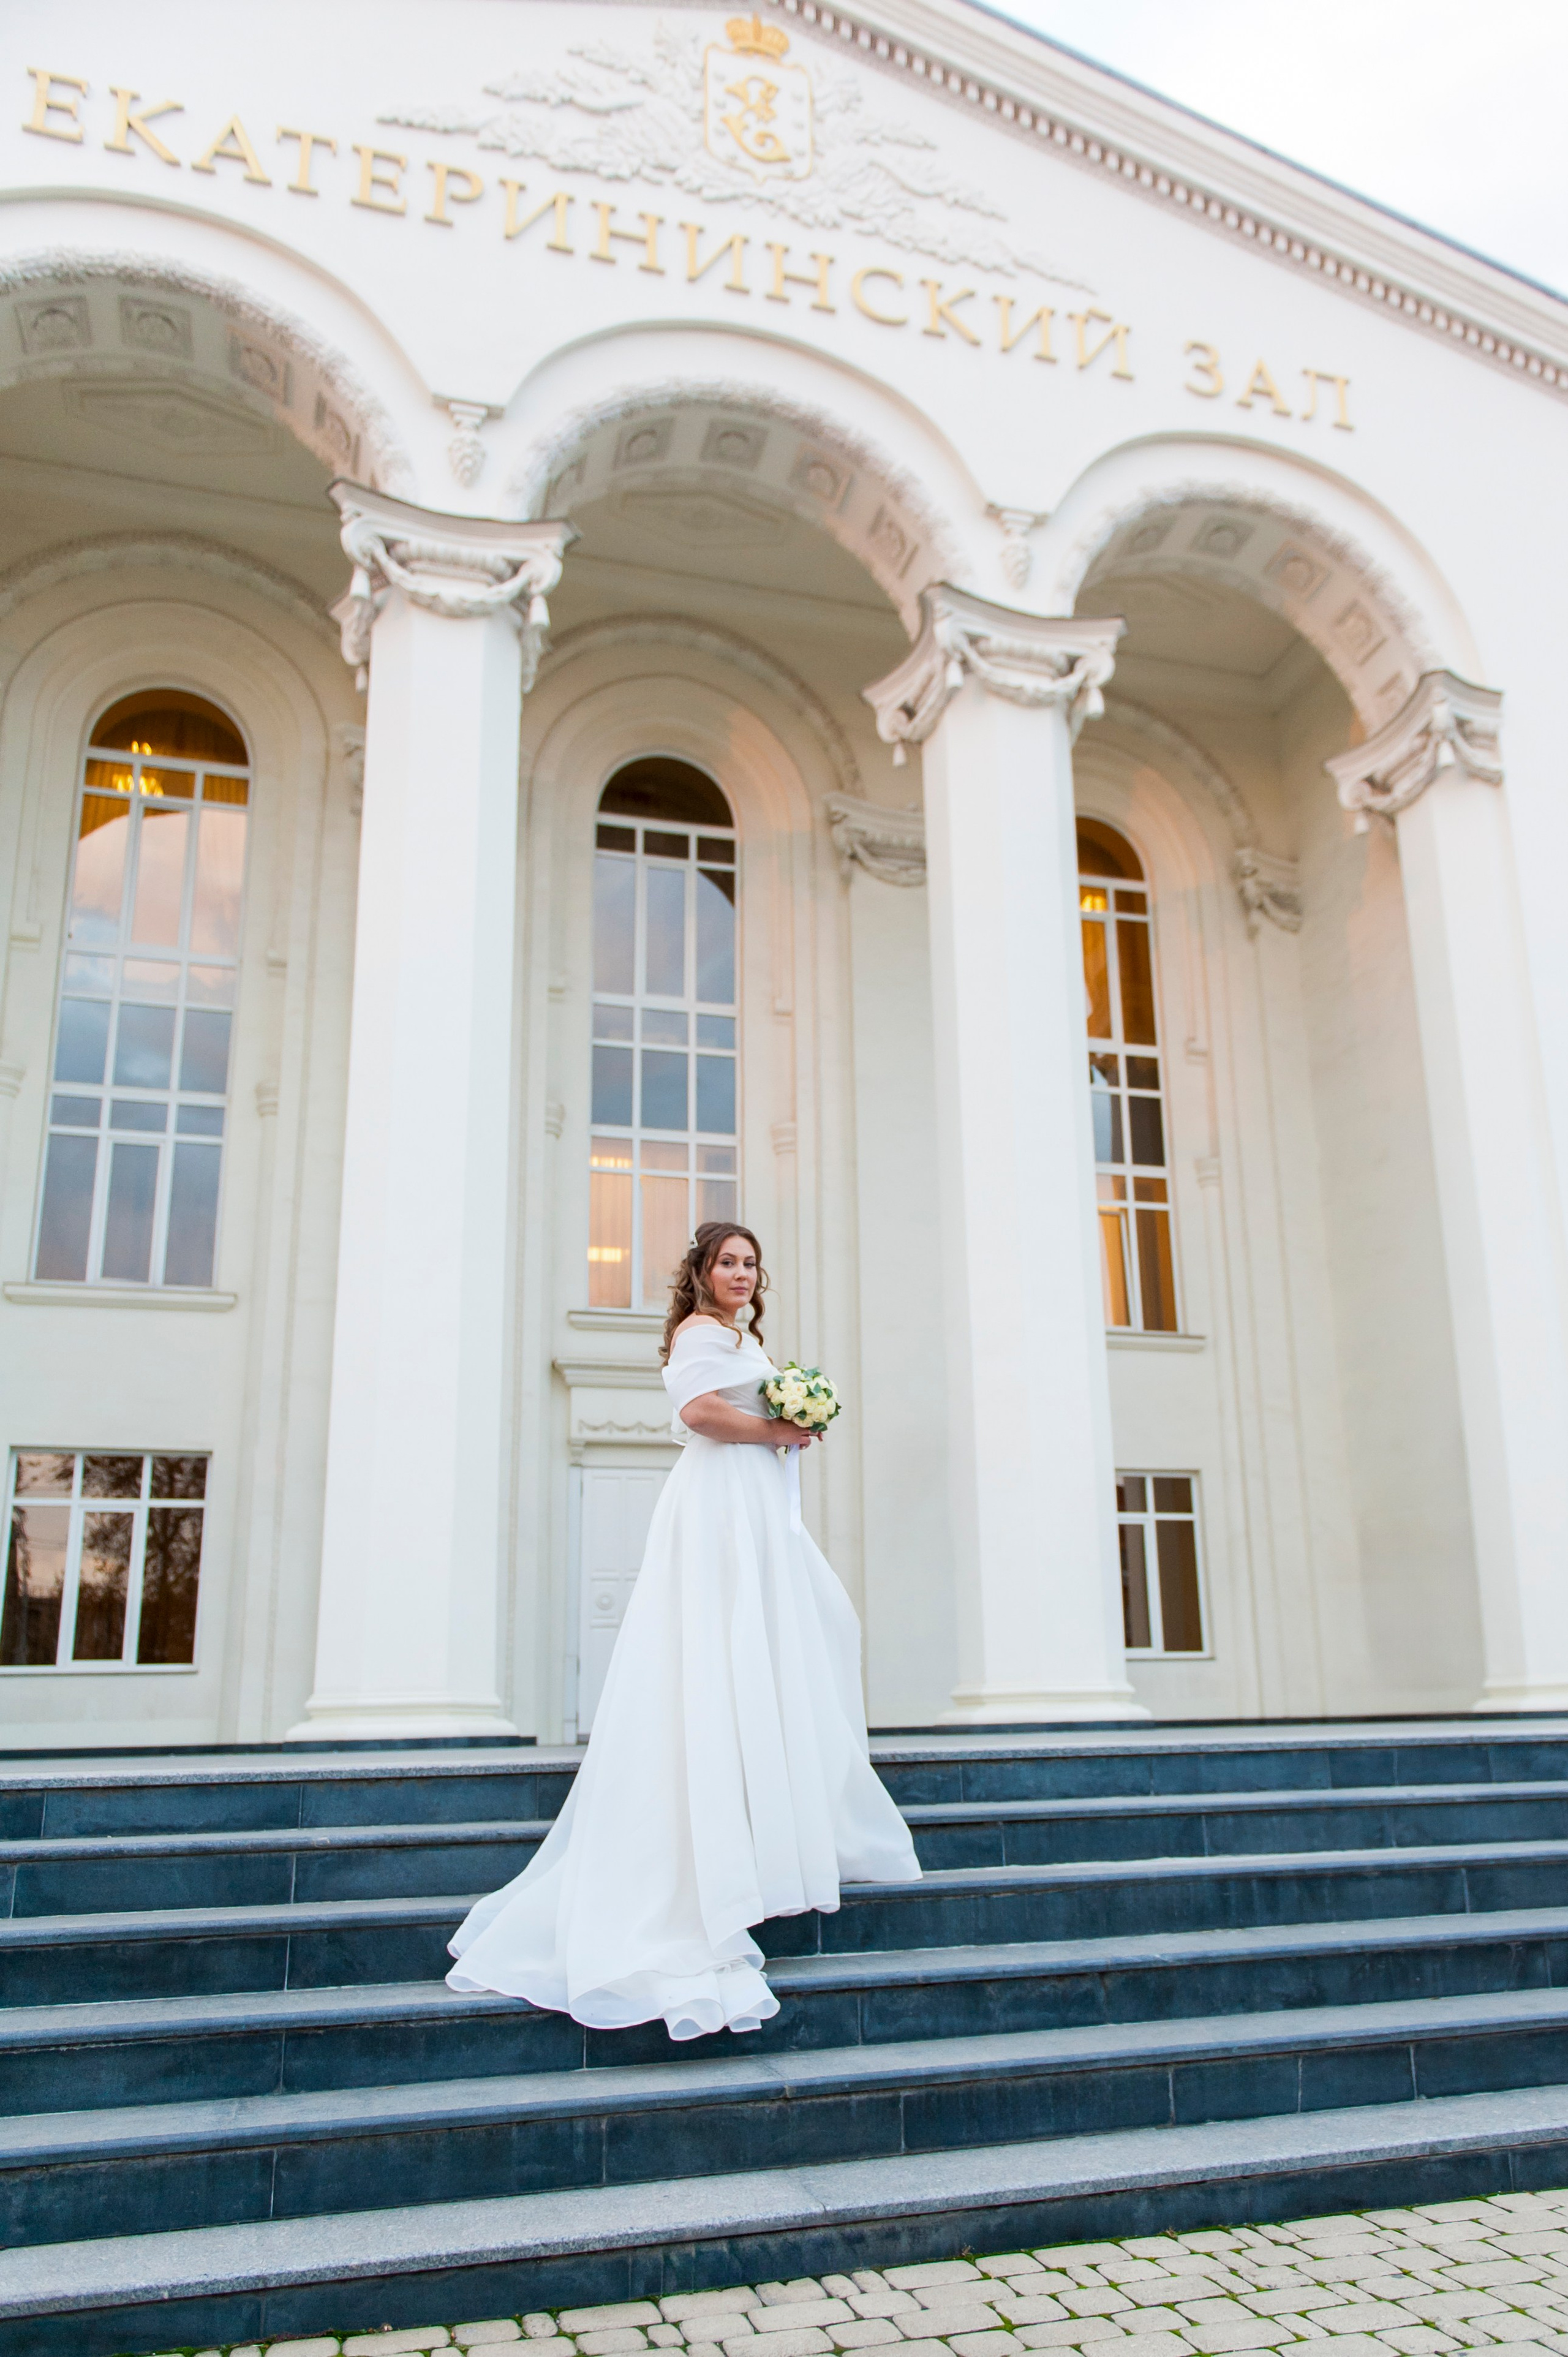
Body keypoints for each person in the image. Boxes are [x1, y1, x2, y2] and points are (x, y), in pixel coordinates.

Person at [446, 1223, 920, 2040]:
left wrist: (788, 1424)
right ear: (700, 1274)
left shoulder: (742, 1336)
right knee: (724, 1641)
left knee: (802, 1631)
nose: (741, 1272)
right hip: (721, 1501)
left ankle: (767, 1822)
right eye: (727, 1262)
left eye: (749, 1263)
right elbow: (700, 1412)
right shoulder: (699, 1335)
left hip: (754, 1502)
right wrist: (779, 1430)